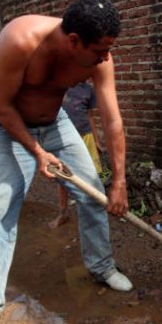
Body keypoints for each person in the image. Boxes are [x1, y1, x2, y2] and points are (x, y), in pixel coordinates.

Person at [0, 0, 133, 324]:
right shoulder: (21, 40)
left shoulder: (100, 56)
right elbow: (0, 103)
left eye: (108, 50)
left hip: (56, 123)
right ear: (73, 42)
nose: (105, 57)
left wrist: (120, 181)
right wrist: (36, 152)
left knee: (93, 193)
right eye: (99, 50)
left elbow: (112, 119)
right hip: (8, 126)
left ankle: (102, 267)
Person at [48, 78, 104, 229]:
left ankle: (92, 213)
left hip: (86, 136)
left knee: (91, 176)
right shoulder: (60, 86)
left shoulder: (88, 90)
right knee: (63, 178)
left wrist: (96, 140)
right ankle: (62, 213)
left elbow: (90, 116)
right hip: (64, 138)